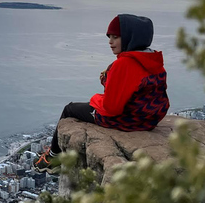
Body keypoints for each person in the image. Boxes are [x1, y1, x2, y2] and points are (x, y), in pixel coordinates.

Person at [32, 14, 170, 174]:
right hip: (149, 120)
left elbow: (111, 108)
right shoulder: (152, 59)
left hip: (128, 121)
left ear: (130, 37)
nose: (110, 42)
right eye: (109, 37)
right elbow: (141, 89)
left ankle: (52, 158)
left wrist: (97, 98)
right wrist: (110, 81)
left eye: (116, 37)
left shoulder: (124, 63)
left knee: (69, 109)